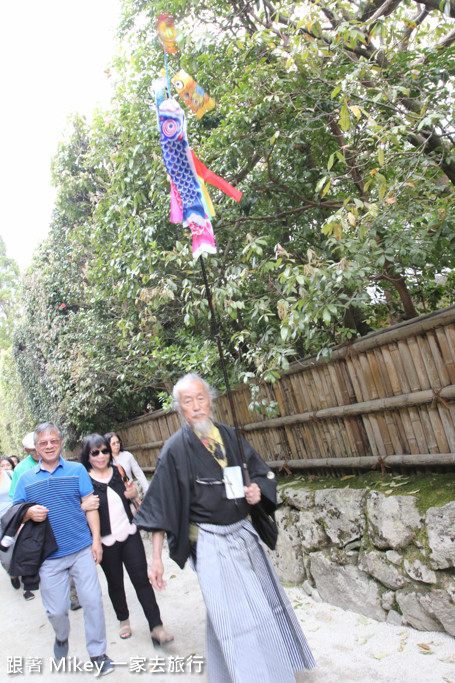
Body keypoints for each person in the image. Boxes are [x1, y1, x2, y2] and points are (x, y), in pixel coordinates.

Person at [134, 373, 315, 682]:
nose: (196, 406)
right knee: (233, 616)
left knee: (260, 606)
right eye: (188, 401)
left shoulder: (230, 436)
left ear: (211, 401)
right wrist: (155, 559)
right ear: (179, 408)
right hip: (210, 542)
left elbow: (259, 473)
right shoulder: (175, 450)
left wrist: (257, 490)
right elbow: (160, 506)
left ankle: (262, 670)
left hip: (244, 534)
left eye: (201, 398)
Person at [12, 422, 114, 676]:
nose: (49, 446)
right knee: (58, 610)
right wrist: (27, 513)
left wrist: (96, 540)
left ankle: (98, 653)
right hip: (48, 558)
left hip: (80, 548)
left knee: (92, 601)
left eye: (53, 441)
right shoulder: (25, 479)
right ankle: (61, 636)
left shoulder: (77, 470)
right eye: (43, 443)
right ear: (35, 448)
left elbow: (90, 505)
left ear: (60, 442)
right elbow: (15, 514)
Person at [79, 433, 173, 644]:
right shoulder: (84, 480)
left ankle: (156, 626)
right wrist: (82, 508)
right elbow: (79, 510)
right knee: (115, 583)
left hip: (130, 534)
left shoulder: (118, 471)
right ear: (88, 456)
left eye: (104, 450)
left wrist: (133, 494)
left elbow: (133, 492)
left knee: (141, 580)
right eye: (95, 452)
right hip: (105, 541)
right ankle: (123, 619)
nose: (101, 455)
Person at [104, 432, 149, 497]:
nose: (117, 445)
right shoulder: (105, 461)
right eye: (113, 443)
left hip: (131, 493)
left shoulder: (127, 455)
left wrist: (147, 490)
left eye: (118, 442)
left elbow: (139, 474)